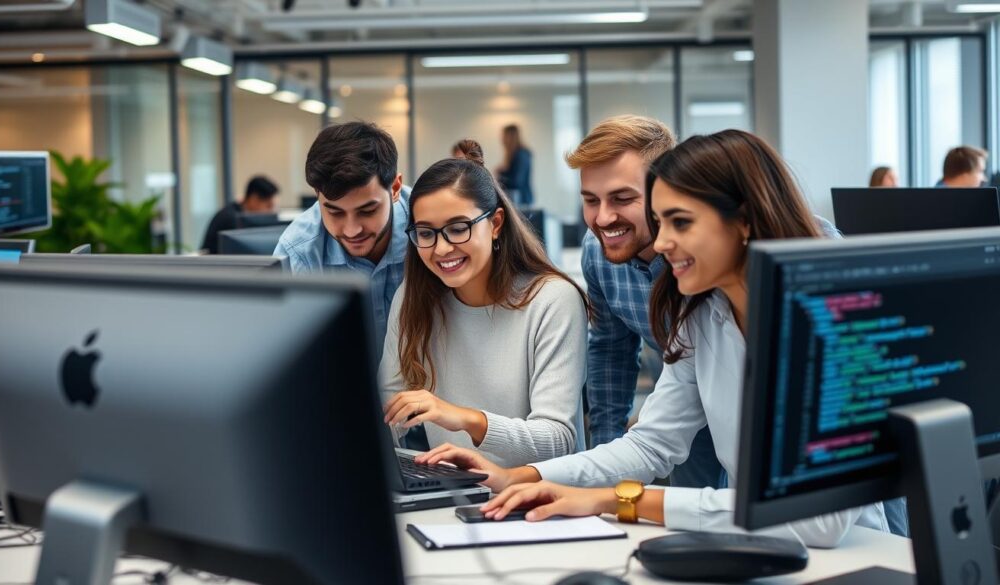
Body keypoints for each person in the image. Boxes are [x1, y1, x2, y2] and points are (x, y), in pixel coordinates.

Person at [416, 130, 889, 548]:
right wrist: (519, 476)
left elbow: (819, 520)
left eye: (680, 223)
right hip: (752, 547)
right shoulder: (703, 312)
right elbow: (650, 445)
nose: (660, 244)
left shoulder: (836, 318)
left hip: (853, 558)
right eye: (662, 222)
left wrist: (625, 501)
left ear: (743, 220)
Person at [379, 139, 588, 467]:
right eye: (426, 233)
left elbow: (557, 440)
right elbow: (387, 409)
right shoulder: (413, 297)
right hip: (451, 495)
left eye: (458, 229)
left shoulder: (552, 299)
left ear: (496, 224)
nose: (442, 248)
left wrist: (463, 418)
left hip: (535, 502)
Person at [567, 115, 723, 490]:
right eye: (590, 200)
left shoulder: (717, 252)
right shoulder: (598, 253)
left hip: (766, 411)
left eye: (622, 198)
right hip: (681, 407)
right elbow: (610, 349)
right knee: (696, 524)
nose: (603, 217)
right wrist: (606, 458)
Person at [274, 121, 408, 357]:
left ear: (395, 188)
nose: (352, 230)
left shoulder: (430, 228)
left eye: (367, 211)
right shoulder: (299, 253)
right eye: (335, 212)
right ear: (318, 196)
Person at [200, 175, 279, 253]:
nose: (271, 212)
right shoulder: (231, 218)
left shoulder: (242, 214)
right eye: (268, 206)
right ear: (254, 199)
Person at [496, 124, 534, 207]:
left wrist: (501, 176)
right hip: (518, 200)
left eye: (503, 136)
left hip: (522, 201)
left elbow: (517, 181)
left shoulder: (521, 154)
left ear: (510, 136)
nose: (501, 139)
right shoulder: (516, 154)